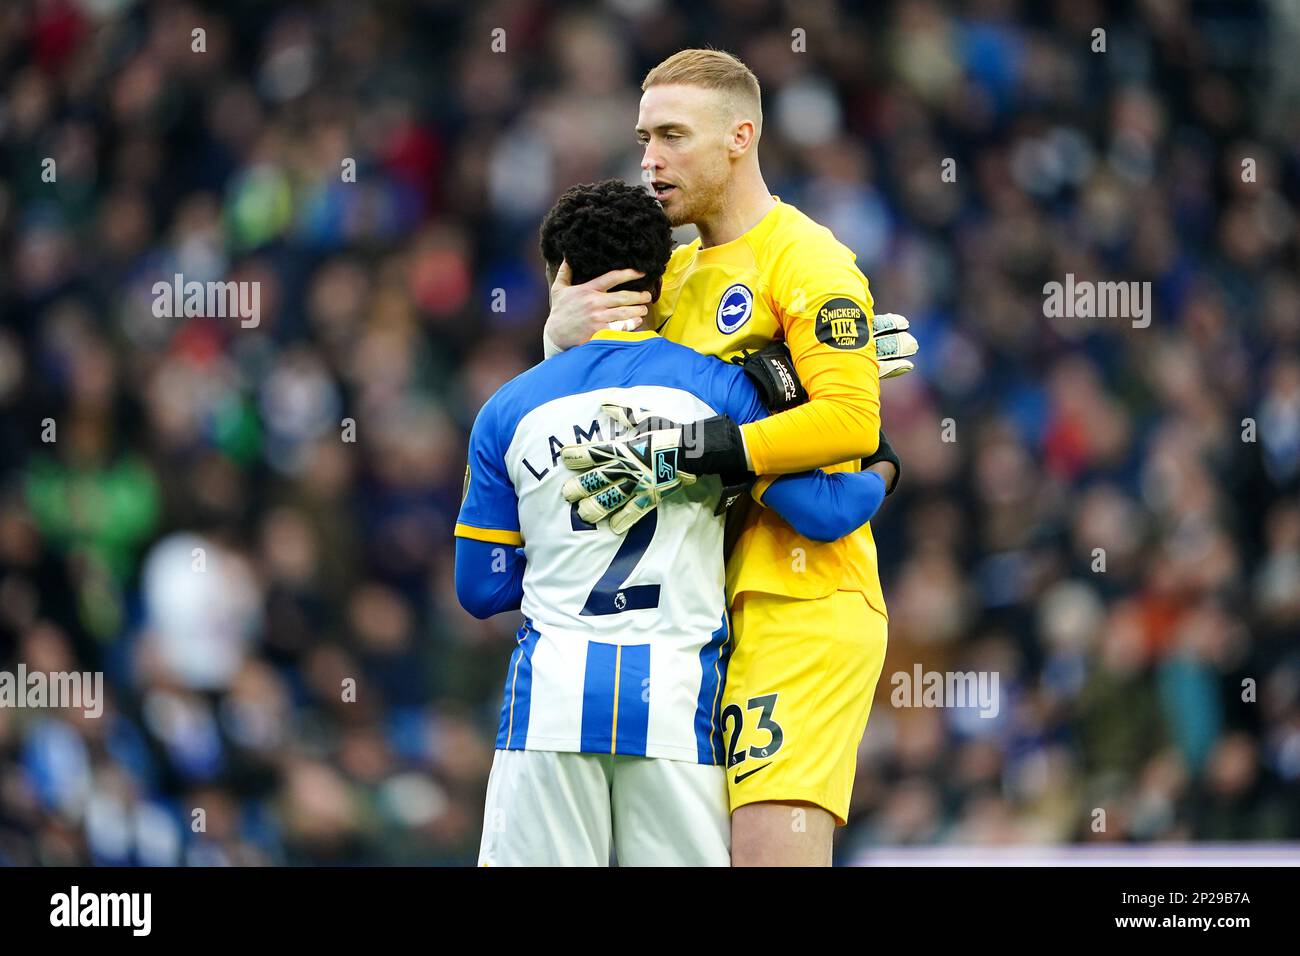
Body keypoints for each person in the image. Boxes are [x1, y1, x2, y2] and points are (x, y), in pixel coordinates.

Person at [455, 180, 897, 865]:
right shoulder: (718, 387)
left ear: (563, 278)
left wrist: (561, 563)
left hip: (550, 701)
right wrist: (882, 464)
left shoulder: (506, 411)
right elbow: (826, 512)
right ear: (664, 282)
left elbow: (480, 590)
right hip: (674, 703)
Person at [545, 49, 915, 865]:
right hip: (694, 619)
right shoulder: (668, 279)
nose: (649, 159)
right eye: (644, 138)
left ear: (740, 137)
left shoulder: (808, 260)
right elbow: (591, 437)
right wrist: (555, 344)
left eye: (673, 136)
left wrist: (696, 454)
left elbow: (851, 422)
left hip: (801, 601)